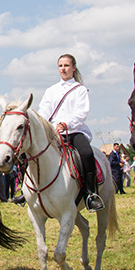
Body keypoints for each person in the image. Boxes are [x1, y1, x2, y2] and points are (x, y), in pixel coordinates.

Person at [38, 54, 103, 212]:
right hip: (53, 133)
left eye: (66, 65)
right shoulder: (51, 90)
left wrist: (66, 124)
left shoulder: (80, 89)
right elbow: (44, 111)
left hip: (73, 131)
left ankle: (90, 194)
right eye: (60, 66)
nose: (63, 69)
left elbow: (81, 113)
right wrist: (44, 125)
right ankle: (28, 191)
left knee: (87, 153)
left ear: (74, 68)